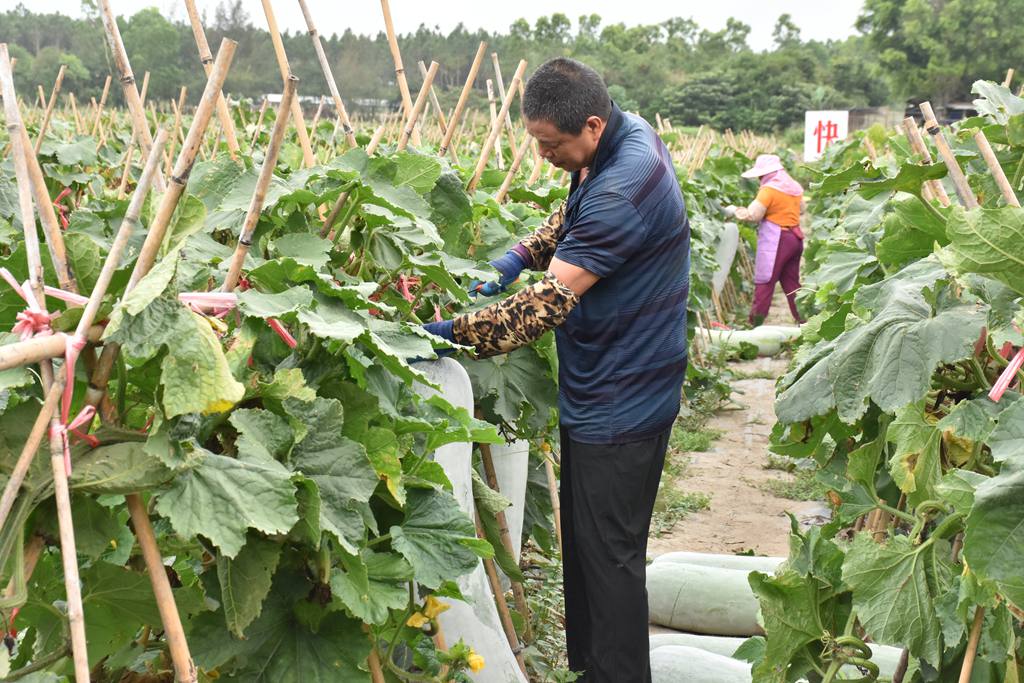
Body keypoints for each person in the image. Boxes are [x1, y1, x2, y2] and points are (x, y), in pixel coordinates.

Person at [419, 58, 690, 682]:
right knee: (591, 552)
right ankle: (591, 672)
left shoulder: (626, 185)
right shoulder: (622, 140)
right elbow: (573, 214)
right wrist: (520, 253)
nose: (544, 157)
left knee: (611, 560)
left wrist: (448, 335)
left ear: (591, 125)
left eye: (551, 146)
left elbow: (542, 308)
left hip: (624, 392)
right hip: (605, 379)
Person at [725, 154, 806, 326]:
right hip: (795, 239)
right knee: (792, 284)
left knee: (765, 282)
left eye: (761, 175)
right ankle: (805, 323)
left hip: (778, 241)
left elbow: (753, 214)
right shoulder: (794, 187)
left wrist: (735, 211)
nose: (760, 178)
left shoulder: (769, 190)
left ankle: (755, 325)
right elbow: (803, 210)